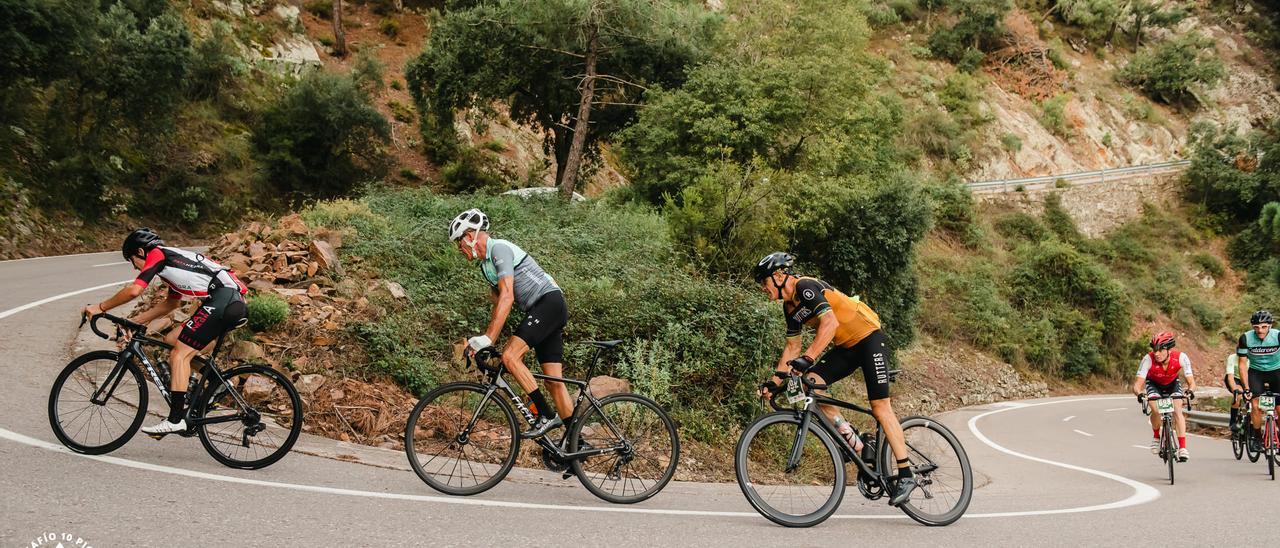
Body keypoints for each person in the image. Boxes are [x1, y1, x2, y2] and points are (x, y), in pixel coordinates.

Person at [751, 252, 917, 507]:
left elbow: (829, 322)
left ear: (779, 276)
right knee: (811, 383)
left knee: (880, 407)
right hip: (847, 347)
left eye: (764, 282)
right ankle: (856, 442)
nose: (763, 288)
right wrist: (774, 381)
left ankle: (906, 473)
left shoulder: (805, 287)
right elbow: (791, 348)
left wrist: (809, 357)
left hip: (869, 338)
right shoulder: (790, 309)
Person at [82, 228, 247, 435]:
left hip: (224, 300)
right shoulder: (172, 264)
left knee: (179, 354)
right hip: (227, 301)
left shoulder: (157, 255)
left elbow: (134, 290)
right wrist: (132, 321)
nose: (135, 268)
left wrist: (100, 307)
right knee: (172, 340)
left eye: (132, 261)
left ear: (141, 252)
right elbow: (170, 305)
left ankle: (176, 419)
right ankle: (217, 383)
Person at [449, 208, 572, 439]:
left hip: (548, 303)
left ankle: (545, 415)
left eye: (459, 243)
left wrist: (489, 338)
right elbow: (499, 308)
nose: (459, 249)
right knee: (554, 383)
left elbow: (508, 296)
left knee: (510, 356)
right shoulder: (486, 267)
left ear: (469, 236)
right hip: (544, 308)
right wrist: (485, 341)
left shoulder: (499, 249)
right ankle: (577, 443)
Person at [1132, 331, 1196, 461]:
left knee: (1177, 410)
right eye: (1155, 350)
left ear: (1168, 349)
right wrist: (1140, 394)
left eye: (1161, 350)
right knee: (1156, 410)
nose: (1157, 353)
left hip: (1172, 384)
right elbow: (1137, 385)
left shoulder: (1181, 357)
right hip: (1153, 384)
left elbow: (1192, 382)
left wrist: (1190, 390)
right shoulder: (1148, 359)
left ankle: (1182, 448)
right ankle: (1156, 437)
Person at [1239, 310, 1280, 452]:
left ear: (1270, 325)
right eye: (1256, 327)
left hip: (1277, 371)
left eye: (1263, 327)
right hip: (1256, 373)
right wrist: (1246, 388)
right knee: (1255, 406)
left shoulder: (1278, 336)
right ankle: (1257, 437)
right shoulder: (1245, 338)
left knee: (1279, 408)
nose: (1260, 330)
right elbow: (1243, 364)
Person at [1225, 353, 1245, 434]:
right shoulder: (1232, 357)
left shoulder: (1252, 357)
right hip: (1234, 378)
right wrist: (1235, 389)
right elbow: (1230, 377)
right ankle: (1233, 421)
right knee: (1239, 394)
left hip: (1246, 378)